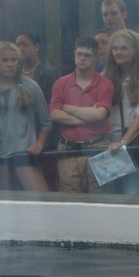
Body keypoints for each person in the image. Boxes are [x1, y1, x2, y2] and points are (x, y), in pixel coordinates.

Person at [0, 41, 50, 192]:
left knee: (40, 199)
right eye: (5, 60)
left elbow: (46, 122)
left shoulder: (31, 87)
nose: (9, 64)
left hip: (23, 152)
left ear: (18, 62)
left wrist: (39, 144)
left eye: (13, 60)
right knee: (5, 203)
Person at [49, 37, 115, 193]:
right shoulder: (61, 83)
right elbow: (55, 115)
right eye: (79, 54)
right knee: (70, 200)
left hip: (99, 146)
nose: (82, 58)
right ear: (74, 54)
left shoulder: (106, 84)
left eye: (87, 55)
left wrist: (68, 108)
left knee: (102, 199)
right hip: (68, 147)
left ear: (96, 57)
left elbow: (100, 115)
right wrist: (86, 117)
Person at [103, 29, 139, 195]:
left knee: (133, 195)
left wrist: (123, 142)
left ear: (135, 51)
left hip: (134, 145)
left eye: (124, 48)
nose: (119, 52)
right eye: (115, 48)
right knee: (110, 197)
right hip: (109, 146)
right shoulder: (104, 76)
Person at [15, 31, 58, 106]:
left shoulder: (49, 73)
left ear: (36, 47)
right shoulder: (14, 72)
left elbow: (53, 104)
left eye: (24, 45)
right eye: (18, 46)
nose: (20, 49)